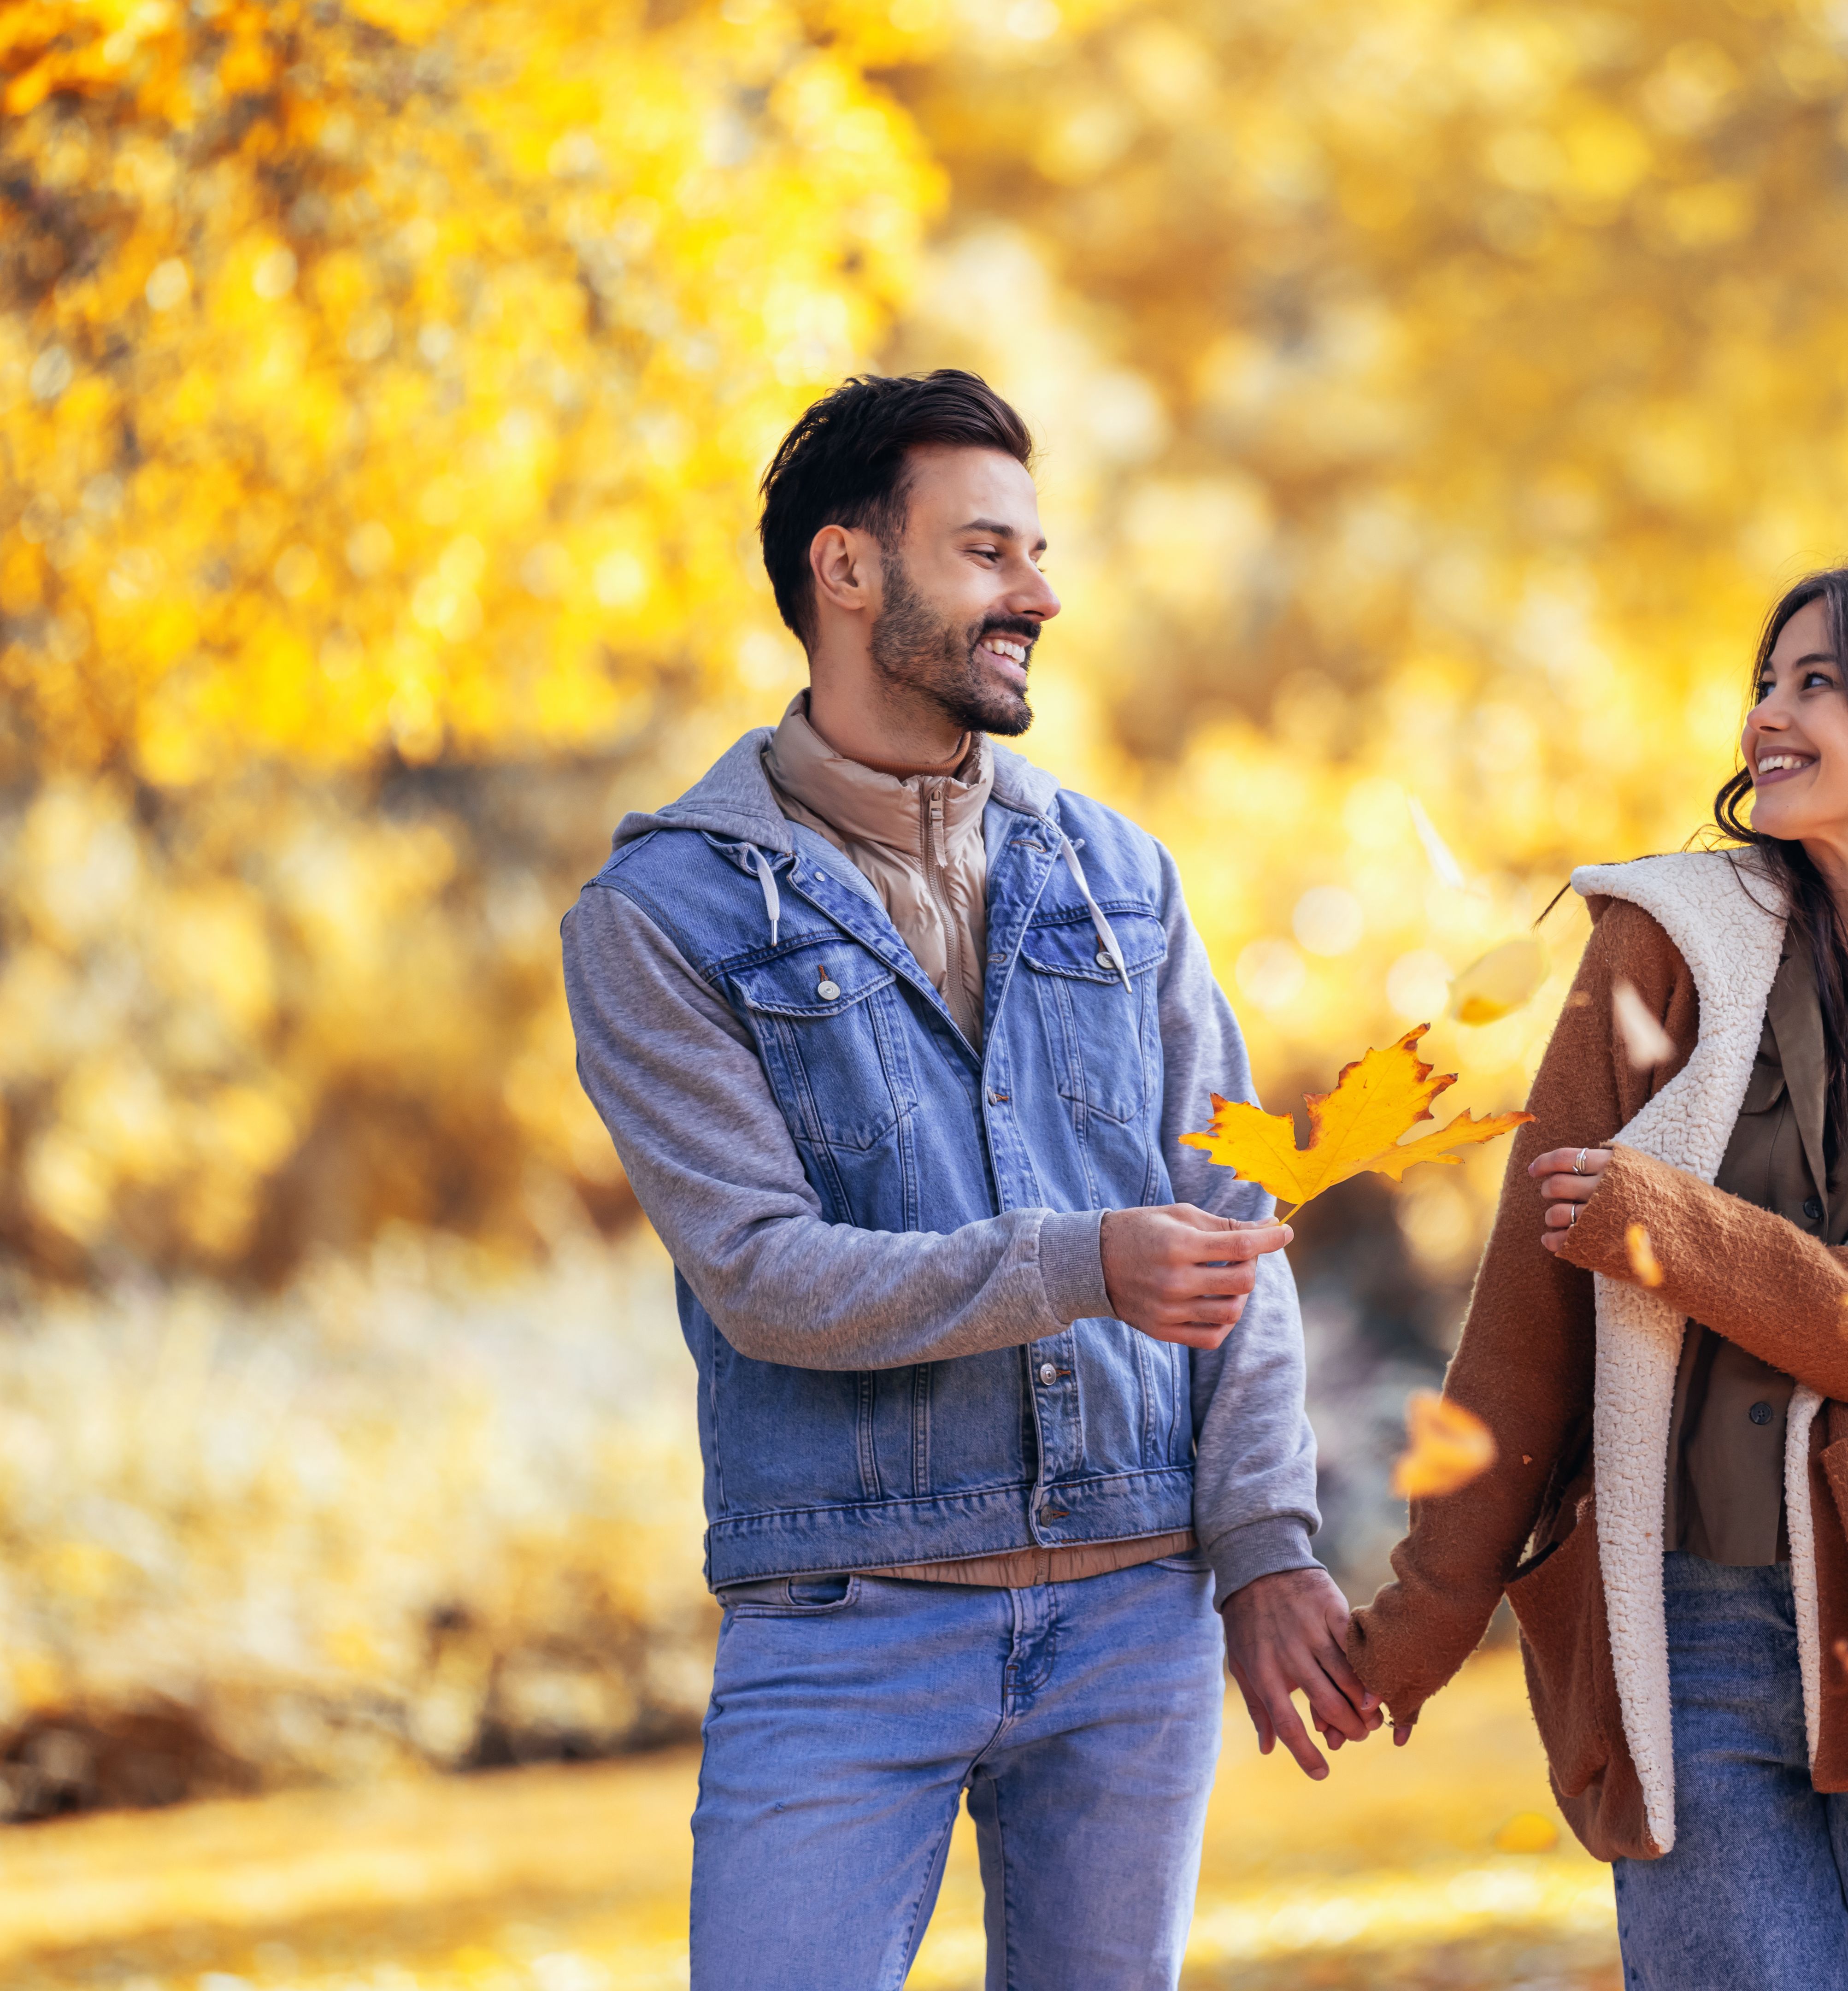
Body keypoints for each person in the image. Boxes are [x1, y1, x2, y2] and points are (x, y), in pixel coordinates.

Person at [560, 370, 1373, 1991]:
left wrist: (1266, 1536)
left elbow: (1237, 1220)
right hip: (846, 1622)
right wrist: (1085, 1264)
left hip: (1135, 1616)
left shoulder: (1120, 876)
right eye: (989, 553)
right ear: (848, 570)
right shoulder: (660, 919)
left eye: (1038, 555)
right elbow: (766, 1276)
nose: (1039, 598)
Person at [1342, 566, 1848, 1989]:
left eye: (1816, 683)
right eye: (1766, 682)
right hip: (1685, 1643)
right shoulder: (1659, 952)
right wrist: (1427, 1611)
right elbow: (1527, 1327)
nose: (1766, 713)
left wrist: (1674, 1232)